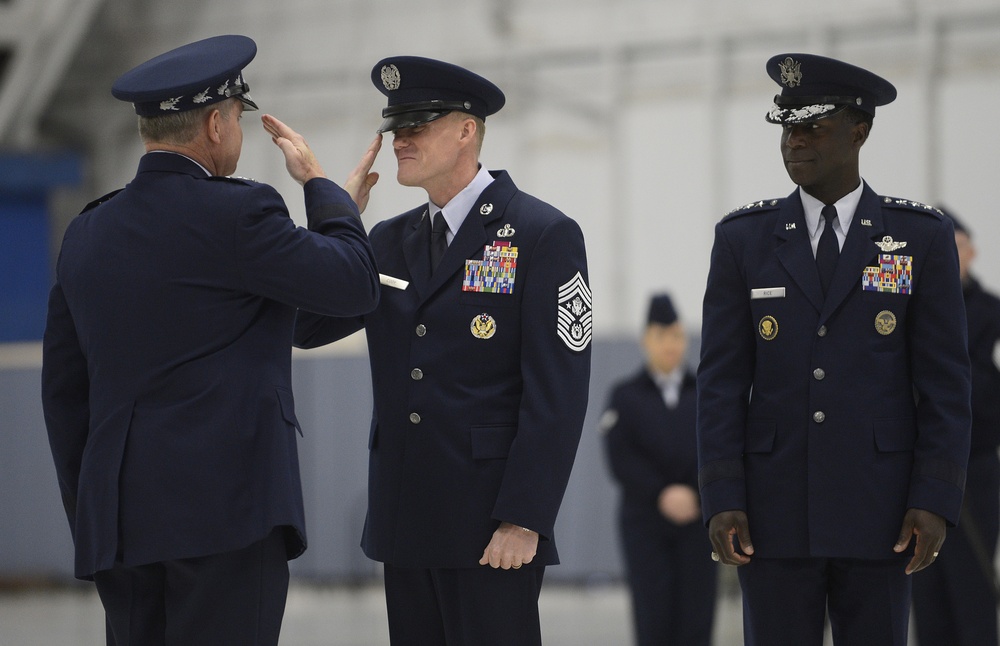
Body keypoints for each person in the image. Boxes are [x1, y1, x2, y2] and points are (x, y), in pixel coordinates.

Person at [41, 35, 381, 646]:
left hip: (118, 525)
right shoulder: (241, 214)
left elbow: (64, 396)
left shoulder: (86, 233)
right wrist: (325, 192)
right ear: (218, 124)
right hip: (225, 518)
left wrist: (91, 511)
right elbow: (354, 283)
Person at [294, 56, 592, 645]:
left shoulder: (540, 234)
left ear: (466, 130)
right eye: (395, 127)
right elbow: (305, 326)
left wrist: (525, 517)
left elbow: (557, 395)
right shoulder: (385, 240)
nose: (399, 140)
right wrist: (337, 225)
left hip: (491, 527)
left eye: (418, 125)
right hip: (406, 521)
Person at [696, 52, 972, 646]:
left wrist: (936, 498)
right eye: (788, 128)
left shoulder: (920, 238)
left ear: (860, 131)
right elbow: (719, 382)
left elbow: (946, 382)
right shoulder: (743, 240)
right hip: (772, 514)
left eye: (814, 127)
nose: (795, 142)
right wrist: (722, 496)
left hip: (883, 513)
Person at [600, 293, 717, 646]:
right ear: (645, 340)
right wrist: (662, 493)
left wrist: (696, 492)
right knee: (653, 612)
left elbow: (718, 446)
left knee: (697, 613)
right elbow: (620, 457)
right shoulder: (625, 395)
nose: (670, 345)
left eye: (677, 336)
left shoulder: (705, 393)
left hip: (698, 521)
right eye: (661, 336)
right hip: (645, 522)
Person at [912, 209, 1000, 646]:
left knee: (973, 590)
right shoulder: (912, 306)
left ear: (972, 253)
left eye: (956, 248)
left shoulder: (991, 314)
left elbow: (986, 394)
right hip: (918, 468)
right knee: (927, 595)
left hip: (973, 469)